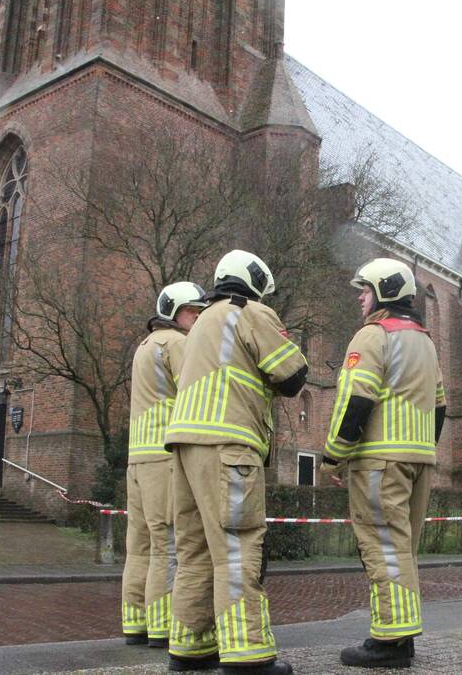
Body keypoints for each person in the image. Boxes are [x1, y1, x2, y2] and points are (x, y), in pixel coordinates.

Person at [164, 250, 307, 674]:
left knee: (193, 552)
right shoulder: (249, 311)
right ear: (255, 282)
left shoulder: (202, 321)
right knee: (238, 548)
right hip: (229, 445)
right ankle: (248, 656)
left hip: (184, 447)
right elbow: (294, 376)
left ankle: (190, 649)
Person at [322, 257, 446, 668]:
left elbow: (356, 400)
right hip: (419, 461)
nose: (360, 296)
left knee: (381, 548)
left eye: (365, 289)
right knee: (403, 549)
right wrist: (423, 448)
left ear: (384, 292)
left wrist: (333, 457)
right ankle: (403, 633)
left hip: (379, 460)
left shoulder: (372, 336)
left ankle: (390, 639)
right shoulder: (425, 341)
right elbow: (441, 406)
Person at [122, 281, 206, 646]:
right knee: (167, 544)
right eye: (192, 312)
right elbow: (199, 387)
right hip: (164, 457)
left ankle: (135, 623)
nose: (198, 318)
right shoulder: (177, 343)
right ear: (173, 312)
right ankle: (163, 627)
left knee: (139, 546)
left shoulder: (144, 346)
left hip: (137, 458)